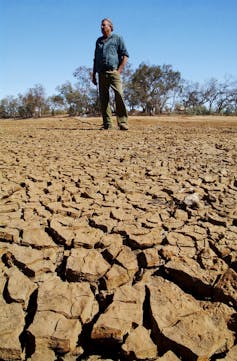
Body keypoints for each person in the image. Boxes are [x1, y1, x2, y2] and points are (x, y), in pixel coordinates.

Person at [92, 18, 129, 130]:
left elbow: (125, 55)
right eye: (101, 25)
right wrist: (93, 74)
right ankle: (108, 124)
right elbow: (95, 59)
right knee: (104, 99)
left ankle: (122, 122)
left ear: (110, 27)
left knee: (119, 96)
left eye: (104, 25)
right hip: (101, 73)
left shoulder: (117, 38)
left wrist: (119, 71)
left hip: (113, 72)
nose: (102, 27)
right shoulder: (98, 41)